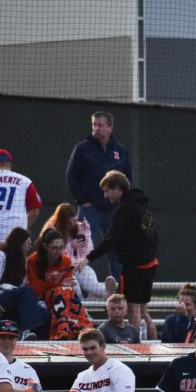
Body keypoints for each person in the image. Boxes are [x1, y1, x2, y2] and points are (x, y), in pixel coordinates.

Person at [87, 170, 159, 340]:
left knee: (133, 311)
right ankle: (154, 343)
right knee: (143, 311)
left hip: (135, 267)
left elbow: (112, 238)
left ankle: (135, 349)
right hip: (150, 264)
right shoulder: (144, 206)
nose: (105, 195)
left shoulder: (125, 209)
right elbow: (153, 235)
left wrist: (89, 257)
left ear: (117, 188)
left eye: (107, 190)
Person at [66, 111, 132, 281]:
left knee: (116, 250)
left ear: (110, 128)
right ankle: (80, 292)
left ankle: (120, 291)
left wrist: (122, 202)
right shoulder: (82, 149)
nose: (97, 129)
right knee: (83, 249)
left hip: (114, 210)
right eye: (94, 125)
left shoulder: (121, 151)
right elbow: (71, 176)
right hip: (90, 210)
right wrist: (82, 200)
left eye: (101, 125)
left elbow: (127, 179)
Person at [0, 226, 47, 339]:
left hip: (8, 303)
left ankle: (40, 342)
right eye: (27, 243)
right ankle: (26, 332)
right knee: (26, 291)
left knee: (42, 311)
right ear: (19, 243)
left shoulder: (22, 261)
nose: (30, 246)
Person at [27, 228, 93, 340]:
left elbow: (66, 285)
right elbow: (35, 288)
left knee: (67, 292)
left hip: (61, 295)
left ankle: (77, 327)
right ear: (45, 246)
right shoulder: (32, 260)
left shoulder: (66, 260)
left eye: (61, 247)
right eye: (54, 248)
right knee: (61, 291)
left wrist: (58, 285)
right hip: (39, 298)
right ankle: (63, 330)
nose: (58, 251)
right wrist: (53, 283)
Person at [42, 202, 103, 300]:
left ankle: (113, 295)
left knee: (94, 286)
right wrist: (71, 246)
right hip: (61, 270)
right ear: (62, 221)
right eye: (69, 223)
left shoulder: (78, 226)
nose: (73, 224)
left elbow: (88, 252)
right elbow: (54, 256)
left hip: (78, 266)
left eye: (75, 220)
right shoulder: (51, 230)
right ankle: (83, 313)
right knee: (77, 293)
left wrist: (86, 232)